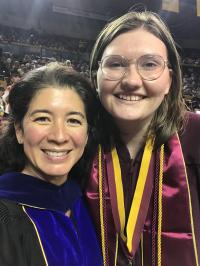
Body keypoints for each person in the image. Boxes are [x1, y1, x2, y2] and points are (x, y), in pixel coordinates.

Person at [85, 10, 200, 266]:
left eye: (149, 64)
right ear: (96, 77)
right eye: (115, 64)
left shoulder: (195, 138)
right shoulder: (75, 142)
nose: (132, 81)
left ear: (170, 79)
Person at [0, 62, 102, 266]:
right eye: (43, 119)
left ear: (87, 134)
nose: (59, 136)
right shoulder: (5, 217)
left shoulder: (86, 199)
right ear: (19, 130)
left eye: (73, 121)